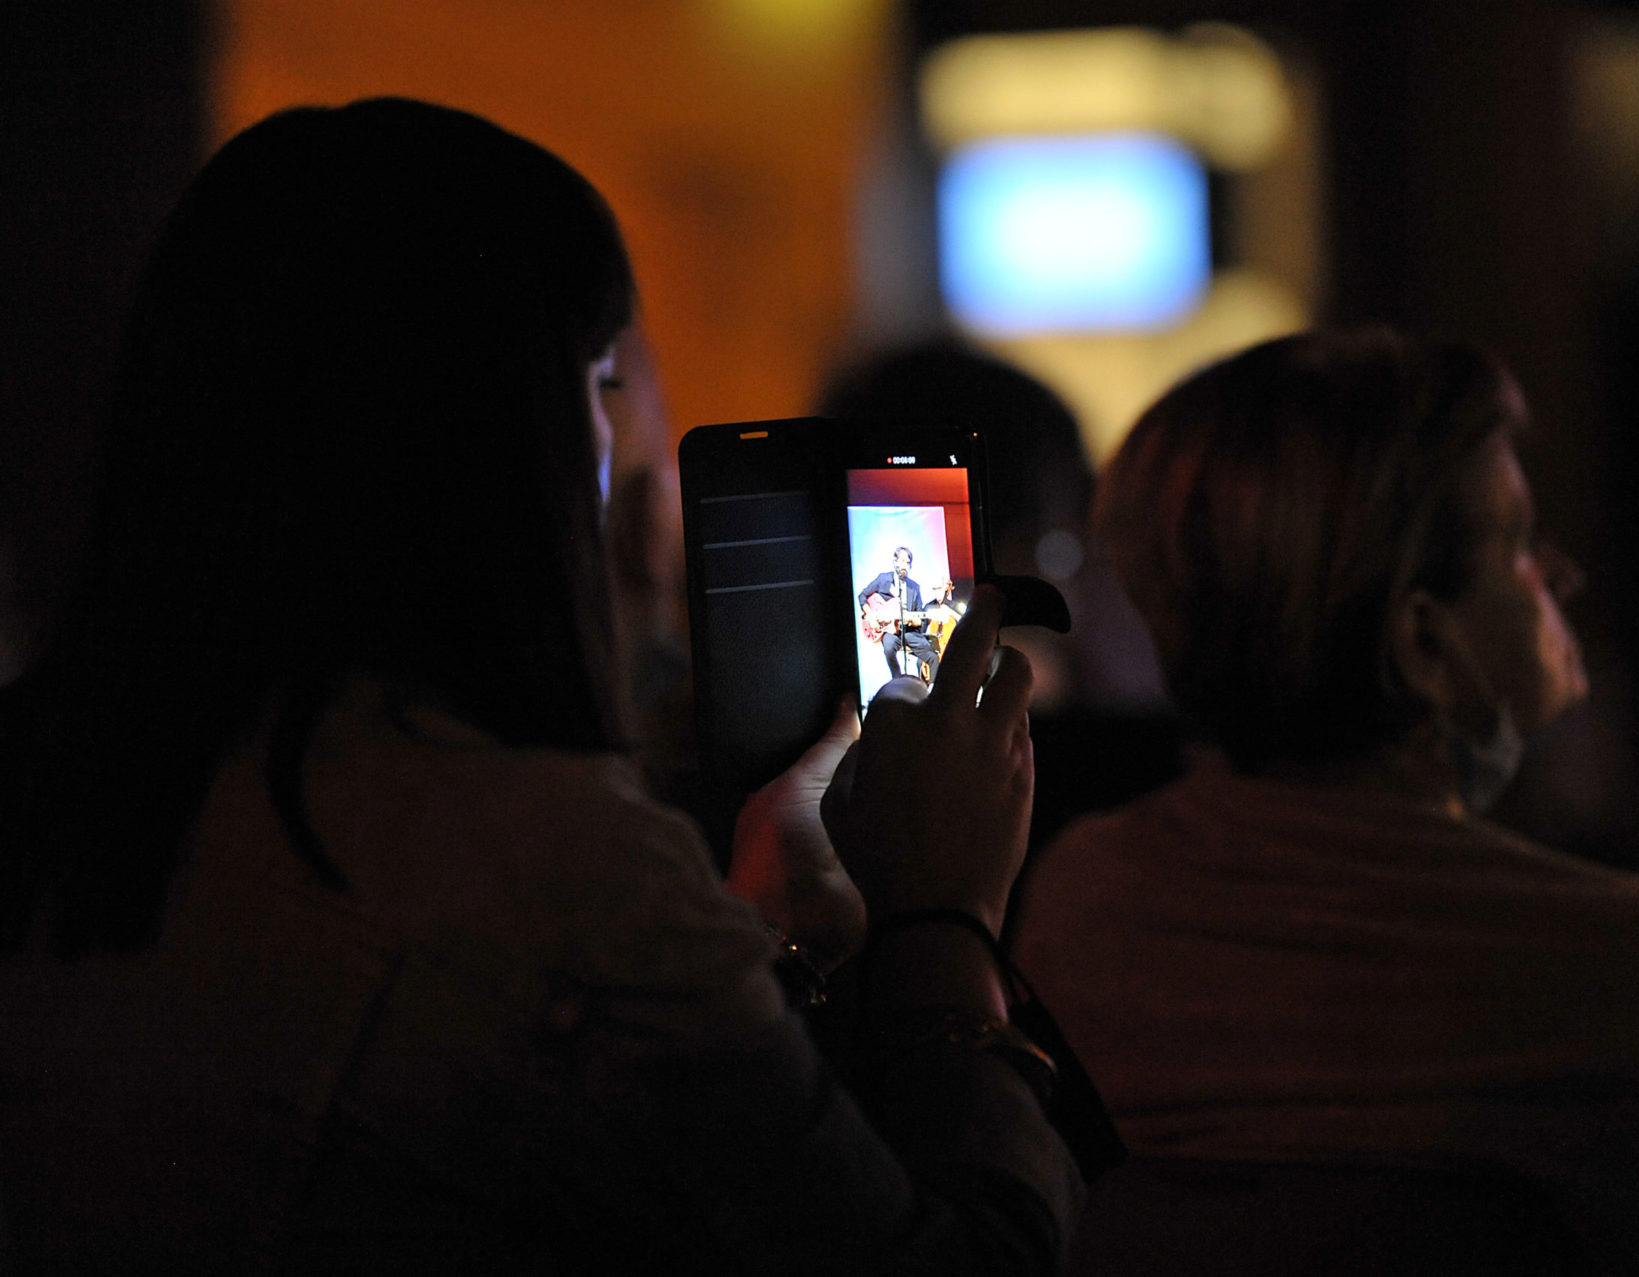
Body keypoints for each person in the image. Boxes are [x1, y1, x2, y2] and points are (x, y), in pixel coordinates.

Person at [0, 98, 1079, 1272]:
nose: (628, 449)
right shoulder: (553, 866)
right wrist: (943, 918)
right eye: (608, 375)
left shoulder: (55, 772)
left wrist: (752, 925)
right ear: (515, 427)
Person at [1012, 328, 1639, 1274]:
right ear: (1422, 643)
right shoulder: (1627, 971)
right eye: (1519, 542)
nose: (1561, 573)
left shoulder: (1082, 894)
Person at [857, 545, 947, 683]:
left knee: (932, 657)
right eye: (902, 561)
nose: (905, 565)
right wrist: (870, 615)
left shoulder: (914, 587)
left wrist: (912, 621)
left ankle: (933, 690)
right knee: (888, 647)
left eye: (908, 562)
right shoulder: (883, 580)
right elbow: (862, 596)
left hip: (909, 632)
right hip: (891, 632)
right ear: (895, 562)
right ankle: (898, 680)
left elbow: (920, 619)